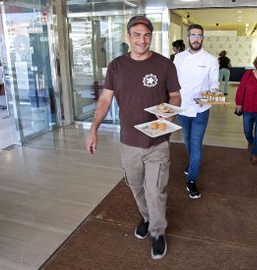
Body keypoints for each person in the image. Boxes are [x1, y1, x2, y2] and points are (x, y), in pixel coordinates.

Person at [85, 16, 181, 260]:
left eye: (146, 35)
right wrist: (93, 128)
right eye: (137, 34)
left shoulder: (164, 65)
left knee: (155, 189)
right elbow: (105, 99)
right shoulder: (116, 66)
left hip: (157, 140)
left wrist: (168, 117)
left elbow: (175, 96)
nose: (142, 39)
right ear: (128, 37)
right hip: (129, 141)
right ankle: (148, 218)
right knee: (136, 186)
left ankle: (158, 233)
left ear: (151, 36)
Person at [174, 24, 219, 199]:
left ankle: (191, 180)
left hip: (201, 109)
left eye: (199, 36)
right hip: (182, 107)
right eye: (193, 35)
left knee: (196, 144)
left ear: (203, 38)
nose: (196, 39)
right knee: (187, 141)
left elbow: (215, 86)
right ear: (188, 37)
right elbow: (173, 82)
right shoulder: (178, 58)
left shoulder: (210, 59)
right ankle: (192, 162)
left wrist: (207, 97)